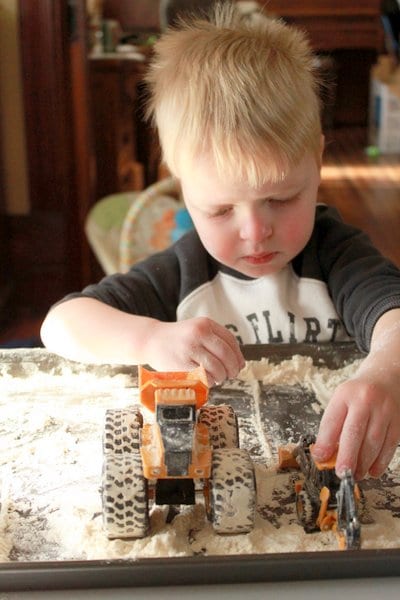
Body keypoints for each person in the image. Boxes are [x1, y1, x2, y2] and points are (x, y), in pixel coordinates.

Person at [41, 2, 400, 482]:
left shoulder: (336, 255)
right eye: (221, 210)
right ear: (182, 182)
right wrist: (150, 337)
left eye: (281, 198)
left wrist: (386, 371)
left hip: (332, 473)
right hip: (223, 484)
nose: (255, 231)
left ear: (316, 160)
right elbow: (60, 326)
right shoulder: (184, 272)